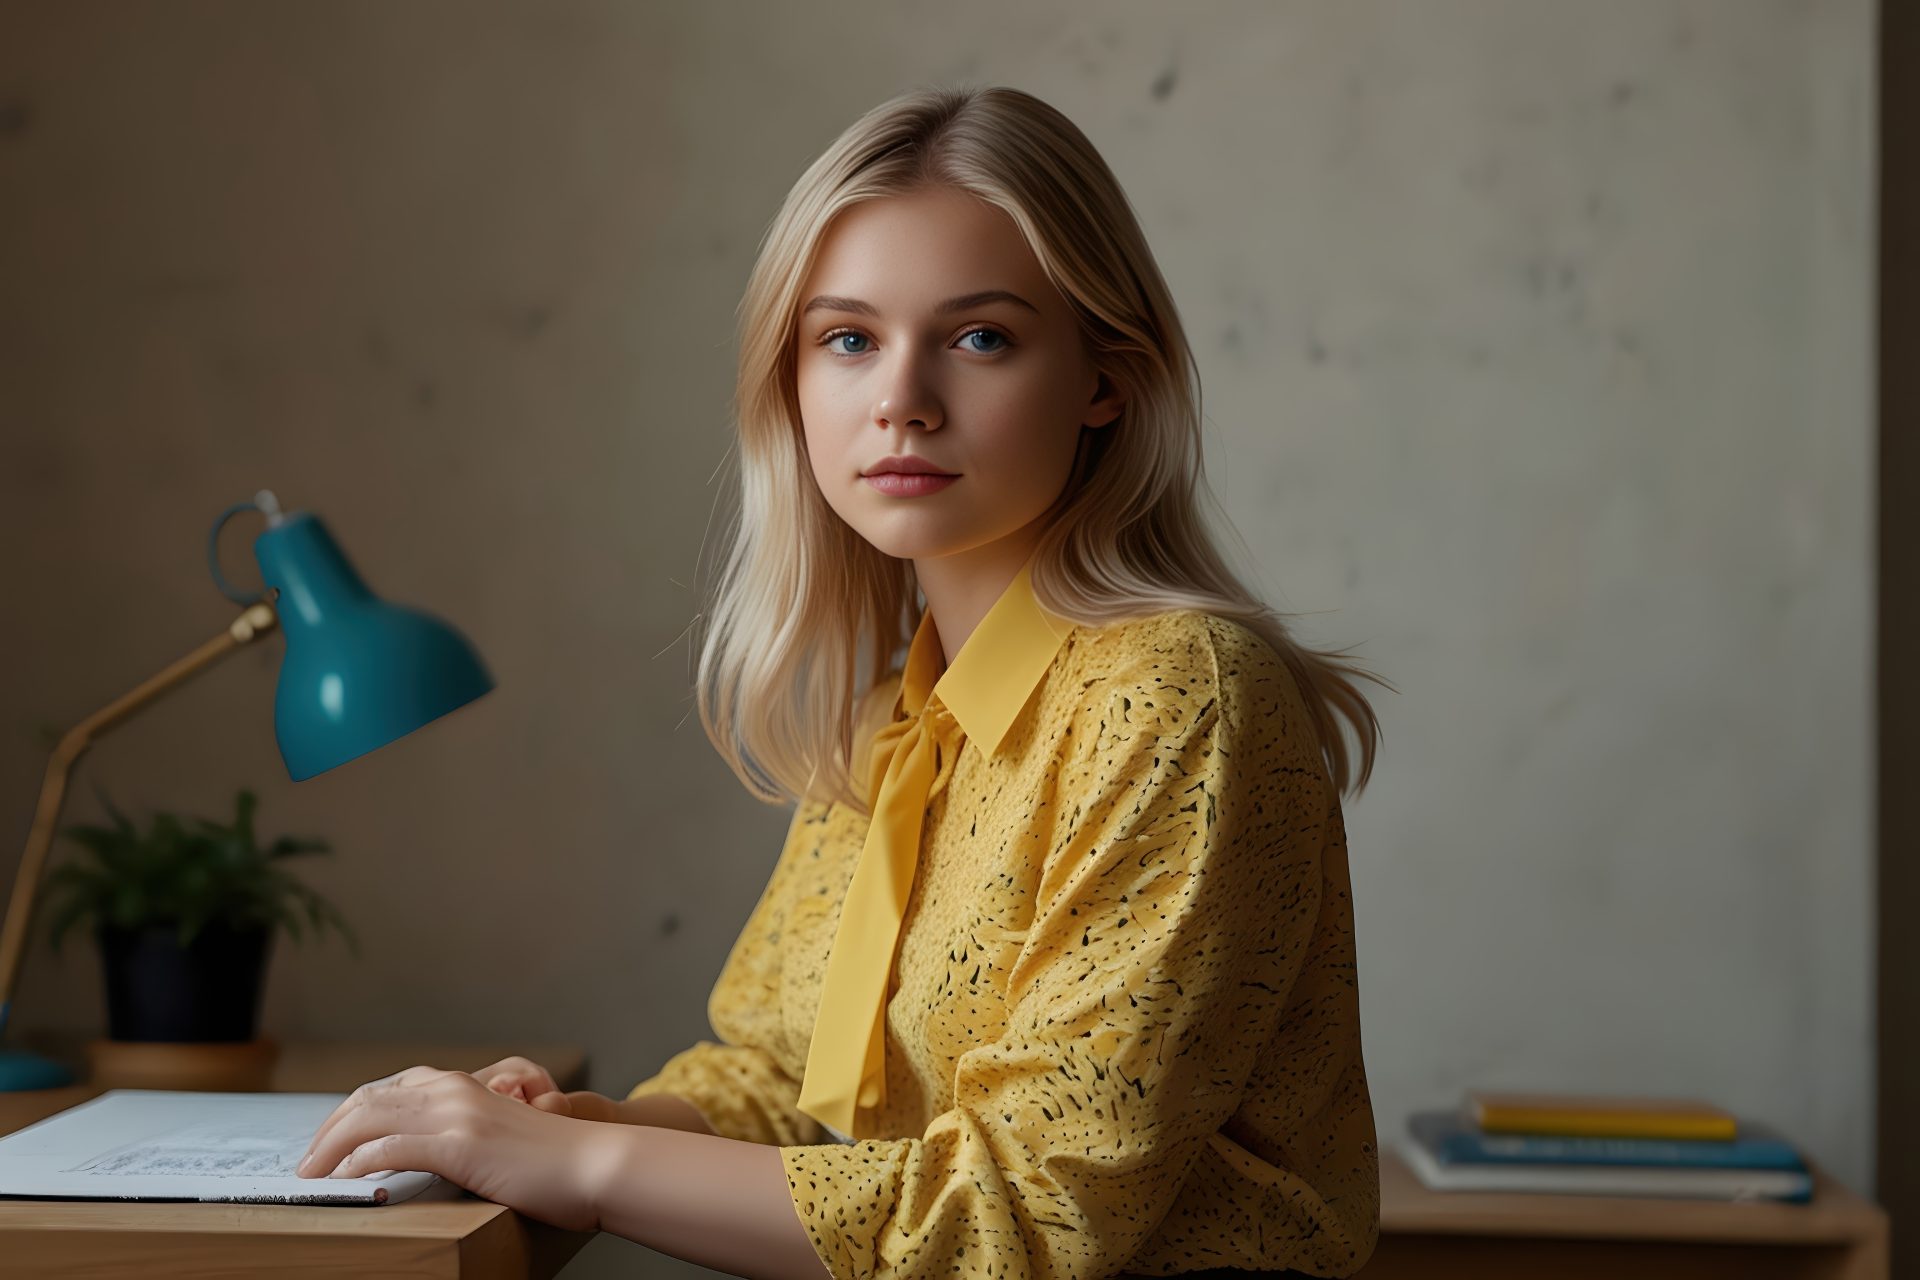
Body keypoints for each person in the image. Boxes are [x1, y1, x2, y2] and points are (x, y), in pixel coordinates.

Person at [296, 84, 1389, 1280]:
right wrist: (574, 1124)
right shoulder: (897, 717)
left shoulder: (1177, 695)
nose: (901, 400)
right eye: (849, 339)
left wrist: (584, 1167)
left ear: (1104, 377)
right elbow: (777, 1075)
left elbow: (1029, 1217)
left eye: (981, 337)